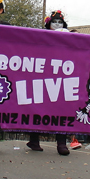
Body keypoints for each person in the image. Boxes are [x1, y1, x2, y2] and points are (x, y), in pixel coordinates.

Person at [27, 10, 74, 156]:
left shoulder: (68, 38)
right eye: (54, 22)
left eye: (60, 22)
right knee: (38, 107)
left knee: (61, 109)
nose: (57, 25)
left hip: (62, 76)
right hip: (43, 75)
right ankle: (34, 140)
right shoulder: (40, 37)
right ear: (49, 24)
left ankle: (61, 143)